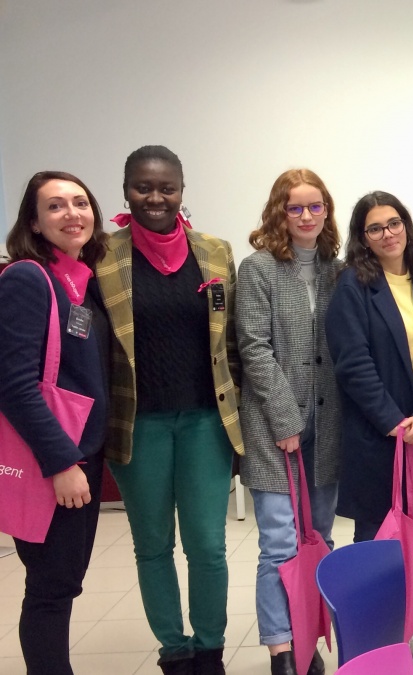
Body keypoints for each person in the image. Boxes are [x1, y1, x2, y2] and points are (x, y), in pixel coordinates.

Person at [96, 145, 242, 675]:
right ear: (126, 191)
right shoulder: (102, 256)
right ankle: (174, 651)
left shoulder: (216, 253)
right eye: (143, 187)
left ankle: (209, 648)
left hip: (206, 421)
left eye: (166, 187)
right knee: (153, 545)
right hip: (138, 425)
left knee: (207, 545)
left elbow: (232, 342)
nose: (155, 197)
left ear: (182, 191)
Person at [325, 191, 413, 666]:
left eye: (394, 223)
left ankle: (411, 625)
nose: (387, 234)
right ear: (363, 238)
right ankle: (375, 637)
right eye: (375, 228)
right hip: (378, 435)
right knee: (377, 537)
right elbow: (352, 363)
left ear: (407, 226)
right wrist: (394, 422)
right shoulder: (352, 287)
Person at [0, 172, 110, 675]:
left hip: (83, 455)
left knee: (62, 583)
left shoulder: (81, 280)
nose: (72, 214)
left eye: (80, 203)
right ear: (33, 222)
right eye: (55, 206)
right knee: (49, 589)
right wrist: (62, 463)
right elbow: (14, 385)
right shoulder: (27, 278)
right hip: (58, 462)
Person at [236, 169, 342, 675]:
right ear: (279, 212)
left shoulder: (338, 270)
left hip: (328, 425)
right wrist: (284, 420)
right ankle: (282, 650)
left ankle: (310, 637)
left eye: (315, 206)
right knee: (279, 543)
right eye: (295, 207)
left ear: (327, 212)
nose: (305, 216)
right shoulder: (258, 268)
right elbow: (253, 348)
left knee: (319, 536)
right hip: (273, 427)